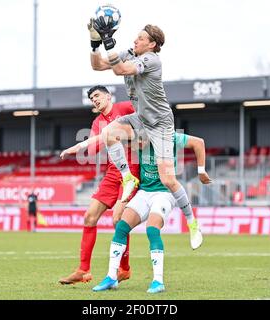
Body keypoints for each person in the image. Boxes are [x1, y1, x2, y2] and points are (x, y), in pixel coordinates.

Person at [89, 16, 204, 249]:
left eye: (140, 38)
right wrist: (94, 42)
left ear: (152, 44)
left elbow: (119, 69)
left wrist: (109, 39)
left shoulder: (151, 60)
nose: (135, 40)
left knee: (168, 179)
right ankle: (128, 178)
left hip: (160, 123)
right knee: (109, 132)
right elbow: (98, 65)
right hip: (140, 118)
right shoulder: (131, 52)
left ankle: (192, 223)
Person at [92, 131, 212, 293]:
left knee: (152, 229)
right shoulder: (133, 137)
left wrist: (201, 170)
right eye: (135, 140)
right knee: (121, 227)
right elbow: (108, 137)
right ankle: (111, 277)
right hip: (144, 192)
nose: (138, 145)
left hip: (164, 193)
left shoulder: (169, 138)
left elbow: (199, 142)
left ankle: (158, 281)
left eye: (141, 140)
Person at [58, 85, 139, 285]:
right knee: (89, 217)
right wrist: (88, 144)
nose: (94, 99)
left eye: (97, 95)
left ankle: (124, 269)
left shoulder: (125, 107)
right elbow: (93, 149)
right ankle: (83, 270)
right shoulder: (98, 122)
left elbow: (146, 116)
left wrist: (131, 134)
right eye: (91, 98)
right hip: (113, 172)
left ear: (108, 96)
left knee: (118, 218)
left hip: (133, 168)